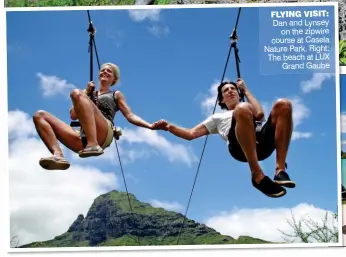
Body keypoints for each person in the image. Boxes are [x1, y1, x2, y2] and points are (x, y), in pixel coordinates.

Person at [152, 78, 295, 198]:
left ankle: (280, 170)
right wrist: (169, 127)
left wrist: (245, 90)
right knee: (242, 109)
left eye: (233, 88)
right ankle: (257, 174)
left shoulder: (247, 106)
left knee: (284, 104)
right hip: (239, 148)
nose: (230, 91)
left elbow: (259, 114)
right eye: (226, 90)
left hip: (262, 144)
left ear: (239, 94)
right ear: (222, 99)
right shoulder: (217, 117)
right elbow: (191, 134)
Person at [33, 62, 158, 170]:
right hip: (81, 138)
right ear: (98, 75)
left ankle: (93, 144)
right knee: (40, 115)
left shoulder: (115, 94)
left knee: (76, 93)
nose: (105, 72)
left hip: (102, 132)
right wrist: (87, 92)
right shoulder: (86, 93)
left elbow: (130, 115)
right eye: (102, 70)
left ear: (114, 79)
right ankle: (58, 155)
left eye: (109, 71)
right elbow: (73, 115)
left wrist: (150, 126)